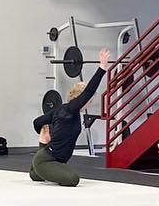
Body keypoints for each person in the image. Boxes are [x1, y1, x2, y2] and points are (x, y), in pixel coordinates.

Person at [30, 49, 113, 187]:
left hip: (54, 159)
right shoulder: (69, 110)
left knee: (40, 174)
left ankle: (36, 171)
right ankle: (38, 166)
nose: (90, 103)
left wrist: (44, 138)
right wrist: (102, 68)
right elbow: (89, 91)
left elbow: (37, 122)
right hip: (47, 159)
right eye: (90, 101)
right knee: (73, 179)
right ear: (80, 98)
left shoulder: (63, 110)